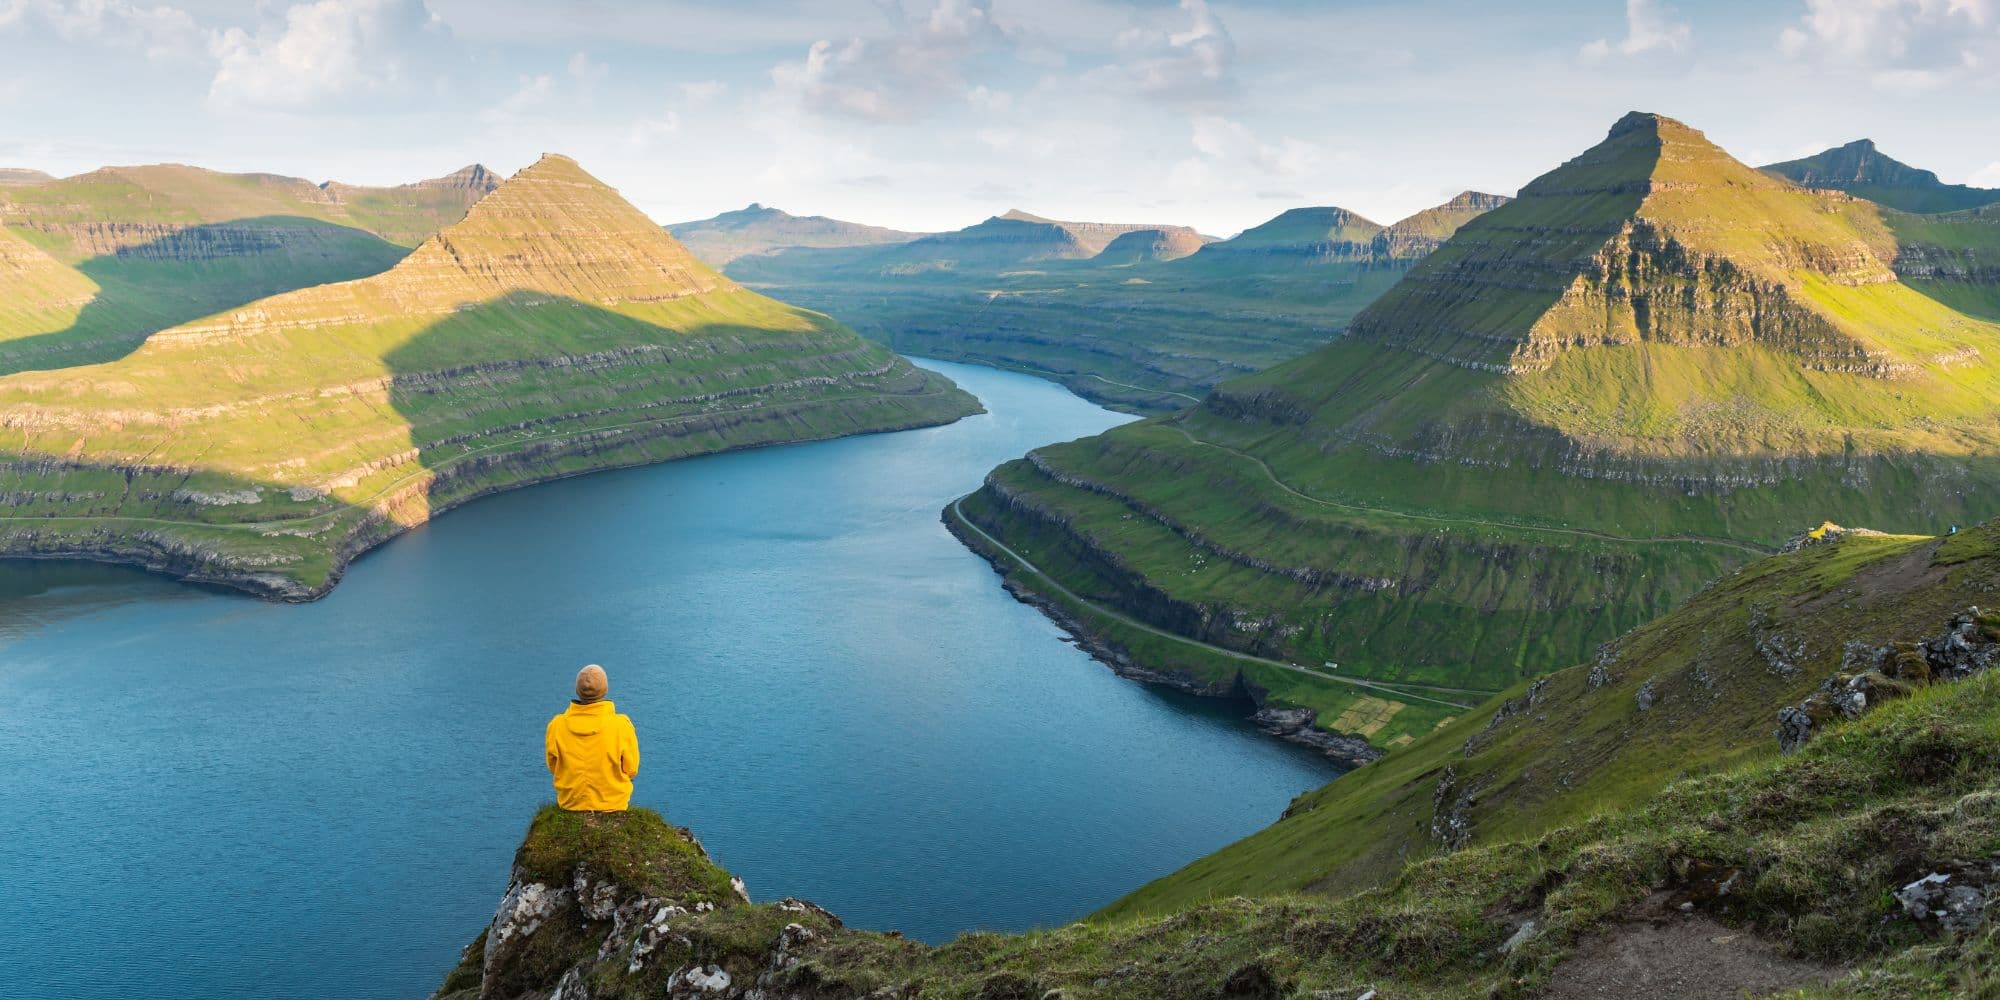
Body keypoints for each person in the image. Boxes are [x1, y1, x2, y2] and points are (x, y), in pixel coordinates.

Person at [545, 664, 640, 812]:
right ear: (605, 690)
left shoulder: (557, 725)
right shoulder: (621, 725)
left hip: (570, 803)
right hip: (613, 803)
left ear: (577, 690)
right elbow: (631, 768)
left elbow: (553, 766)